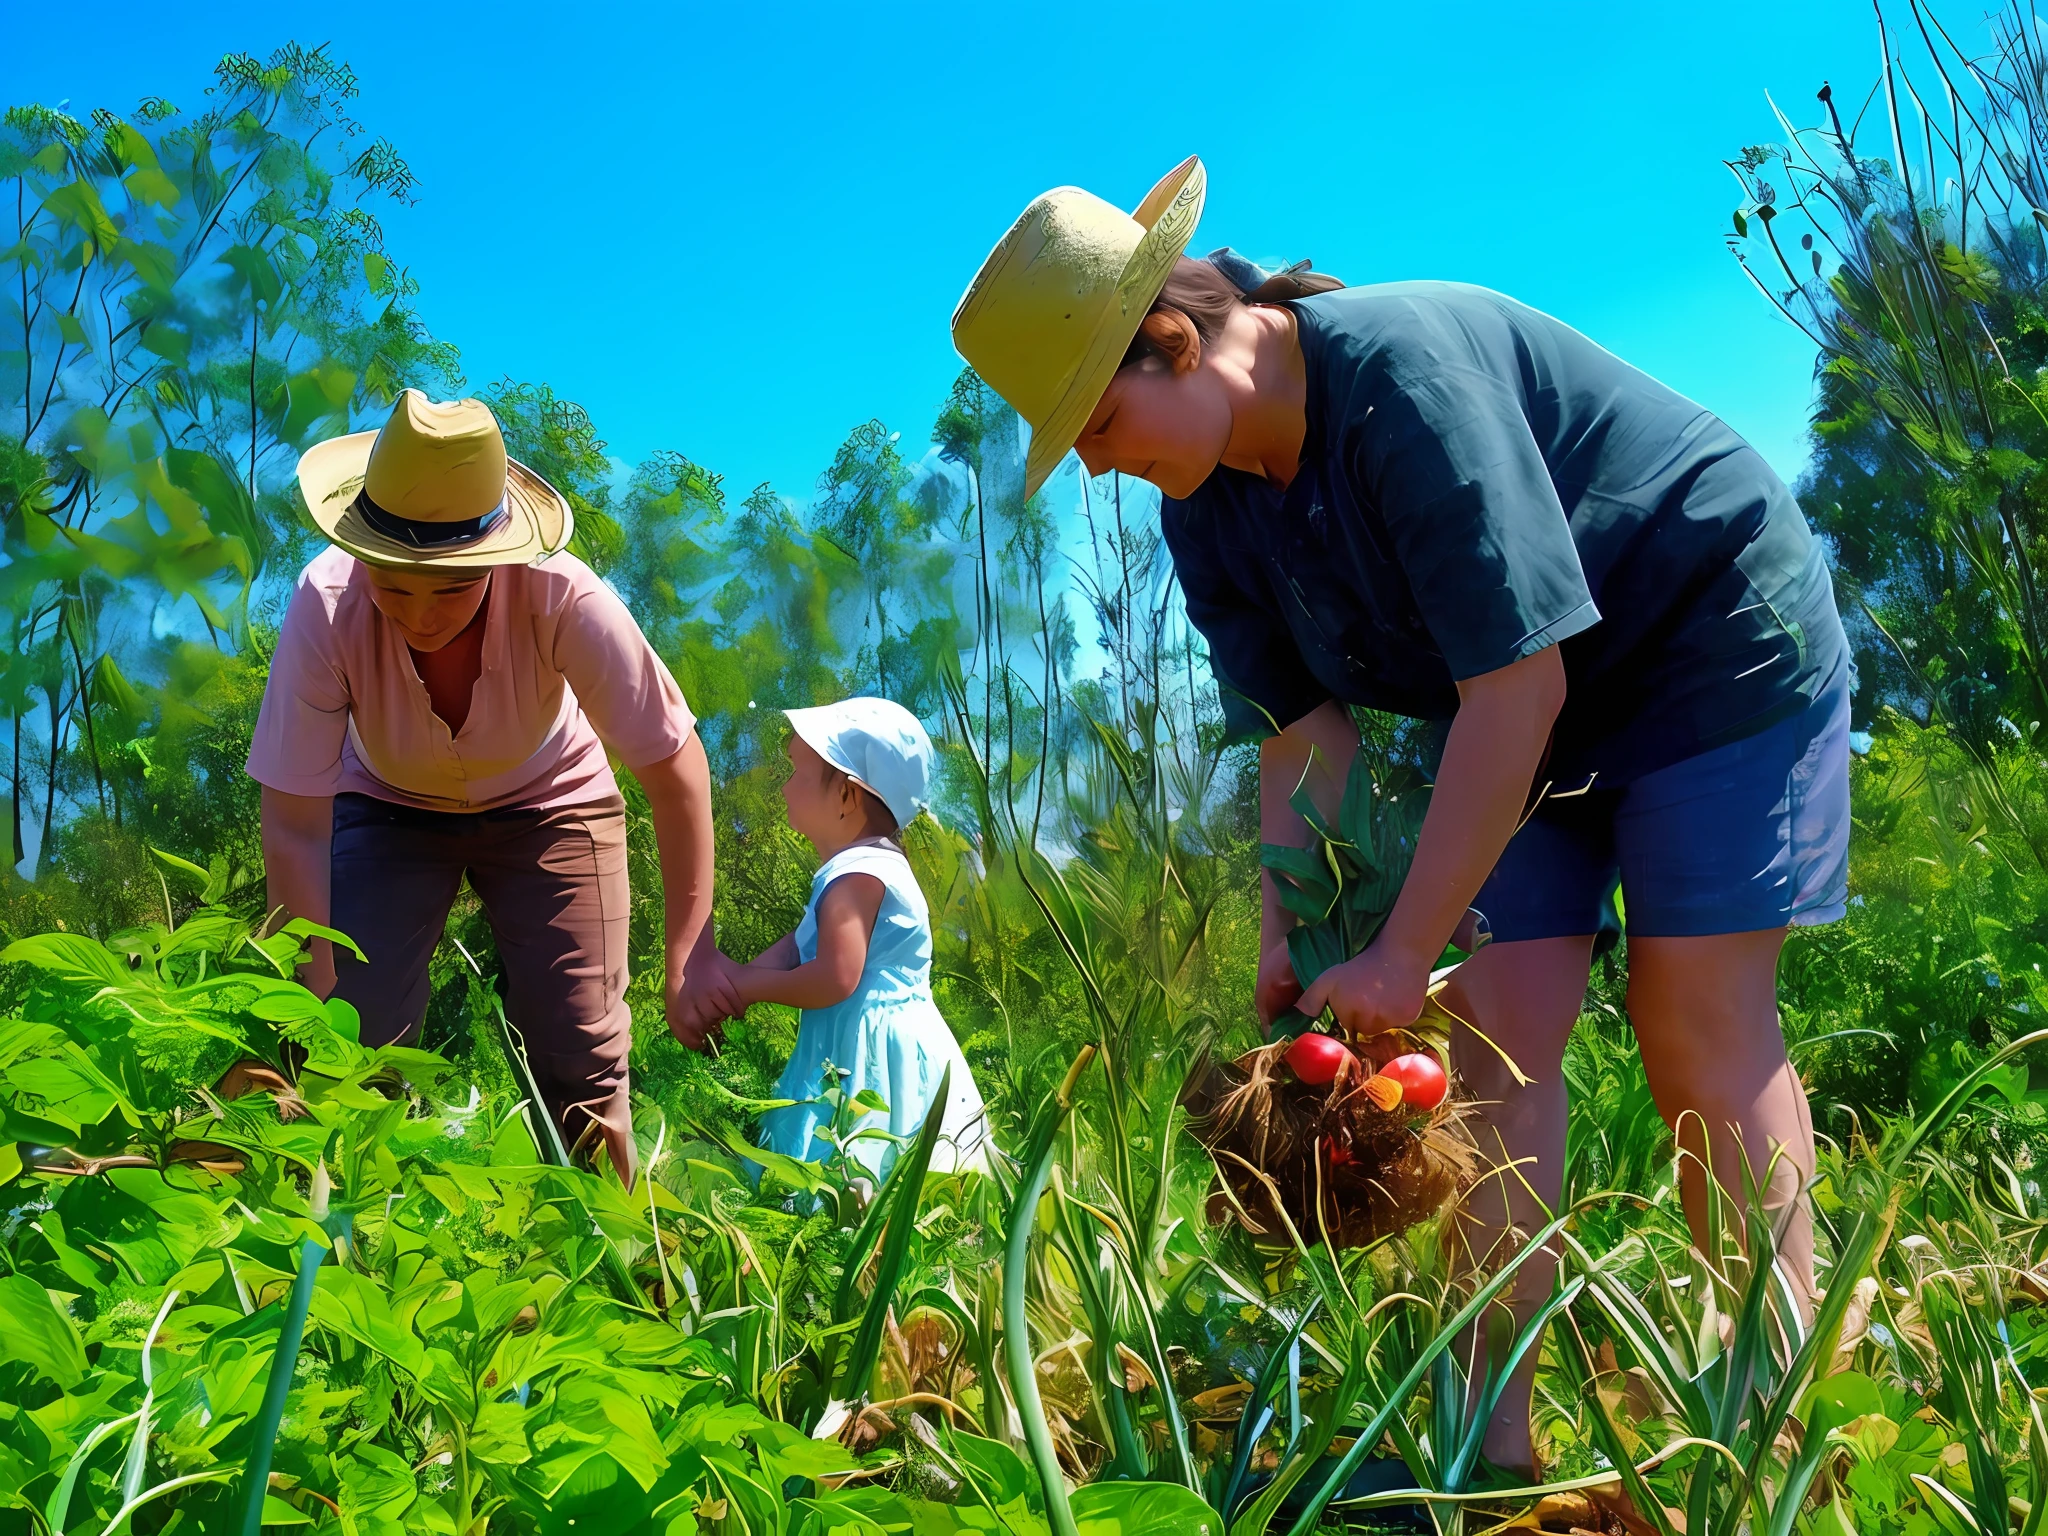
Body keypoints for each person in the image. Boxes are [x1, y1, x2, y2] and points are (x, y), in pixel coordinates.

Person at [951, 157, 1848, 1473]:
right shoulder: (1208, 508)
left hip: (1703, 643)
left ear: (1172, 338)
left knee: (1694, 1025)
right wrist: (1295, 937)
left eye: (1093, 424)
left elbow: (1515, 684)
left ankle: (1769, 1417)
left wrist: (1397, 949)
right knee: (1492, 1046)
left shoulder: (1398, 383)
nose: (1095, 468)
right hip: (1521, 708)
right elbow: (1301, 741)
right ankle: (1490, 1443)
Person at [248, 389, 718, 1186]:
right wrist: (315, 985)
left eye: (452, 588)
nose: (419, 616)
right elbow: (294, 822)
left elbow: (675, 769)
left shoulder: (566, 599)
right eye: (394, 586)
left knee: (580, 1052)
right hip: (386, 804)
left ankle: (619, 1266)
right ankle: (350, 1260)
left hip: (552, 798)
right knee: (351, 1042)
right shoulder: (324, 605)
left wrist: (691, 955)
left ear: (498, 559)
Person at [679, 697, 989, 1180]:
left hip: (867, 1053)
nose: (784, 785)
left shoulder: (856, 874)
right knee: (902, 1173)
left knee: (856, 1161)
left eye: (797, 771)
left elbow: (836, 975)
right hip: (876, 1041)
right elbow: (795, 949)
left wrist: (746, 988)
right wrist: (732, 985)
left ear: (846, 795)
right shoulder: (860, 870)